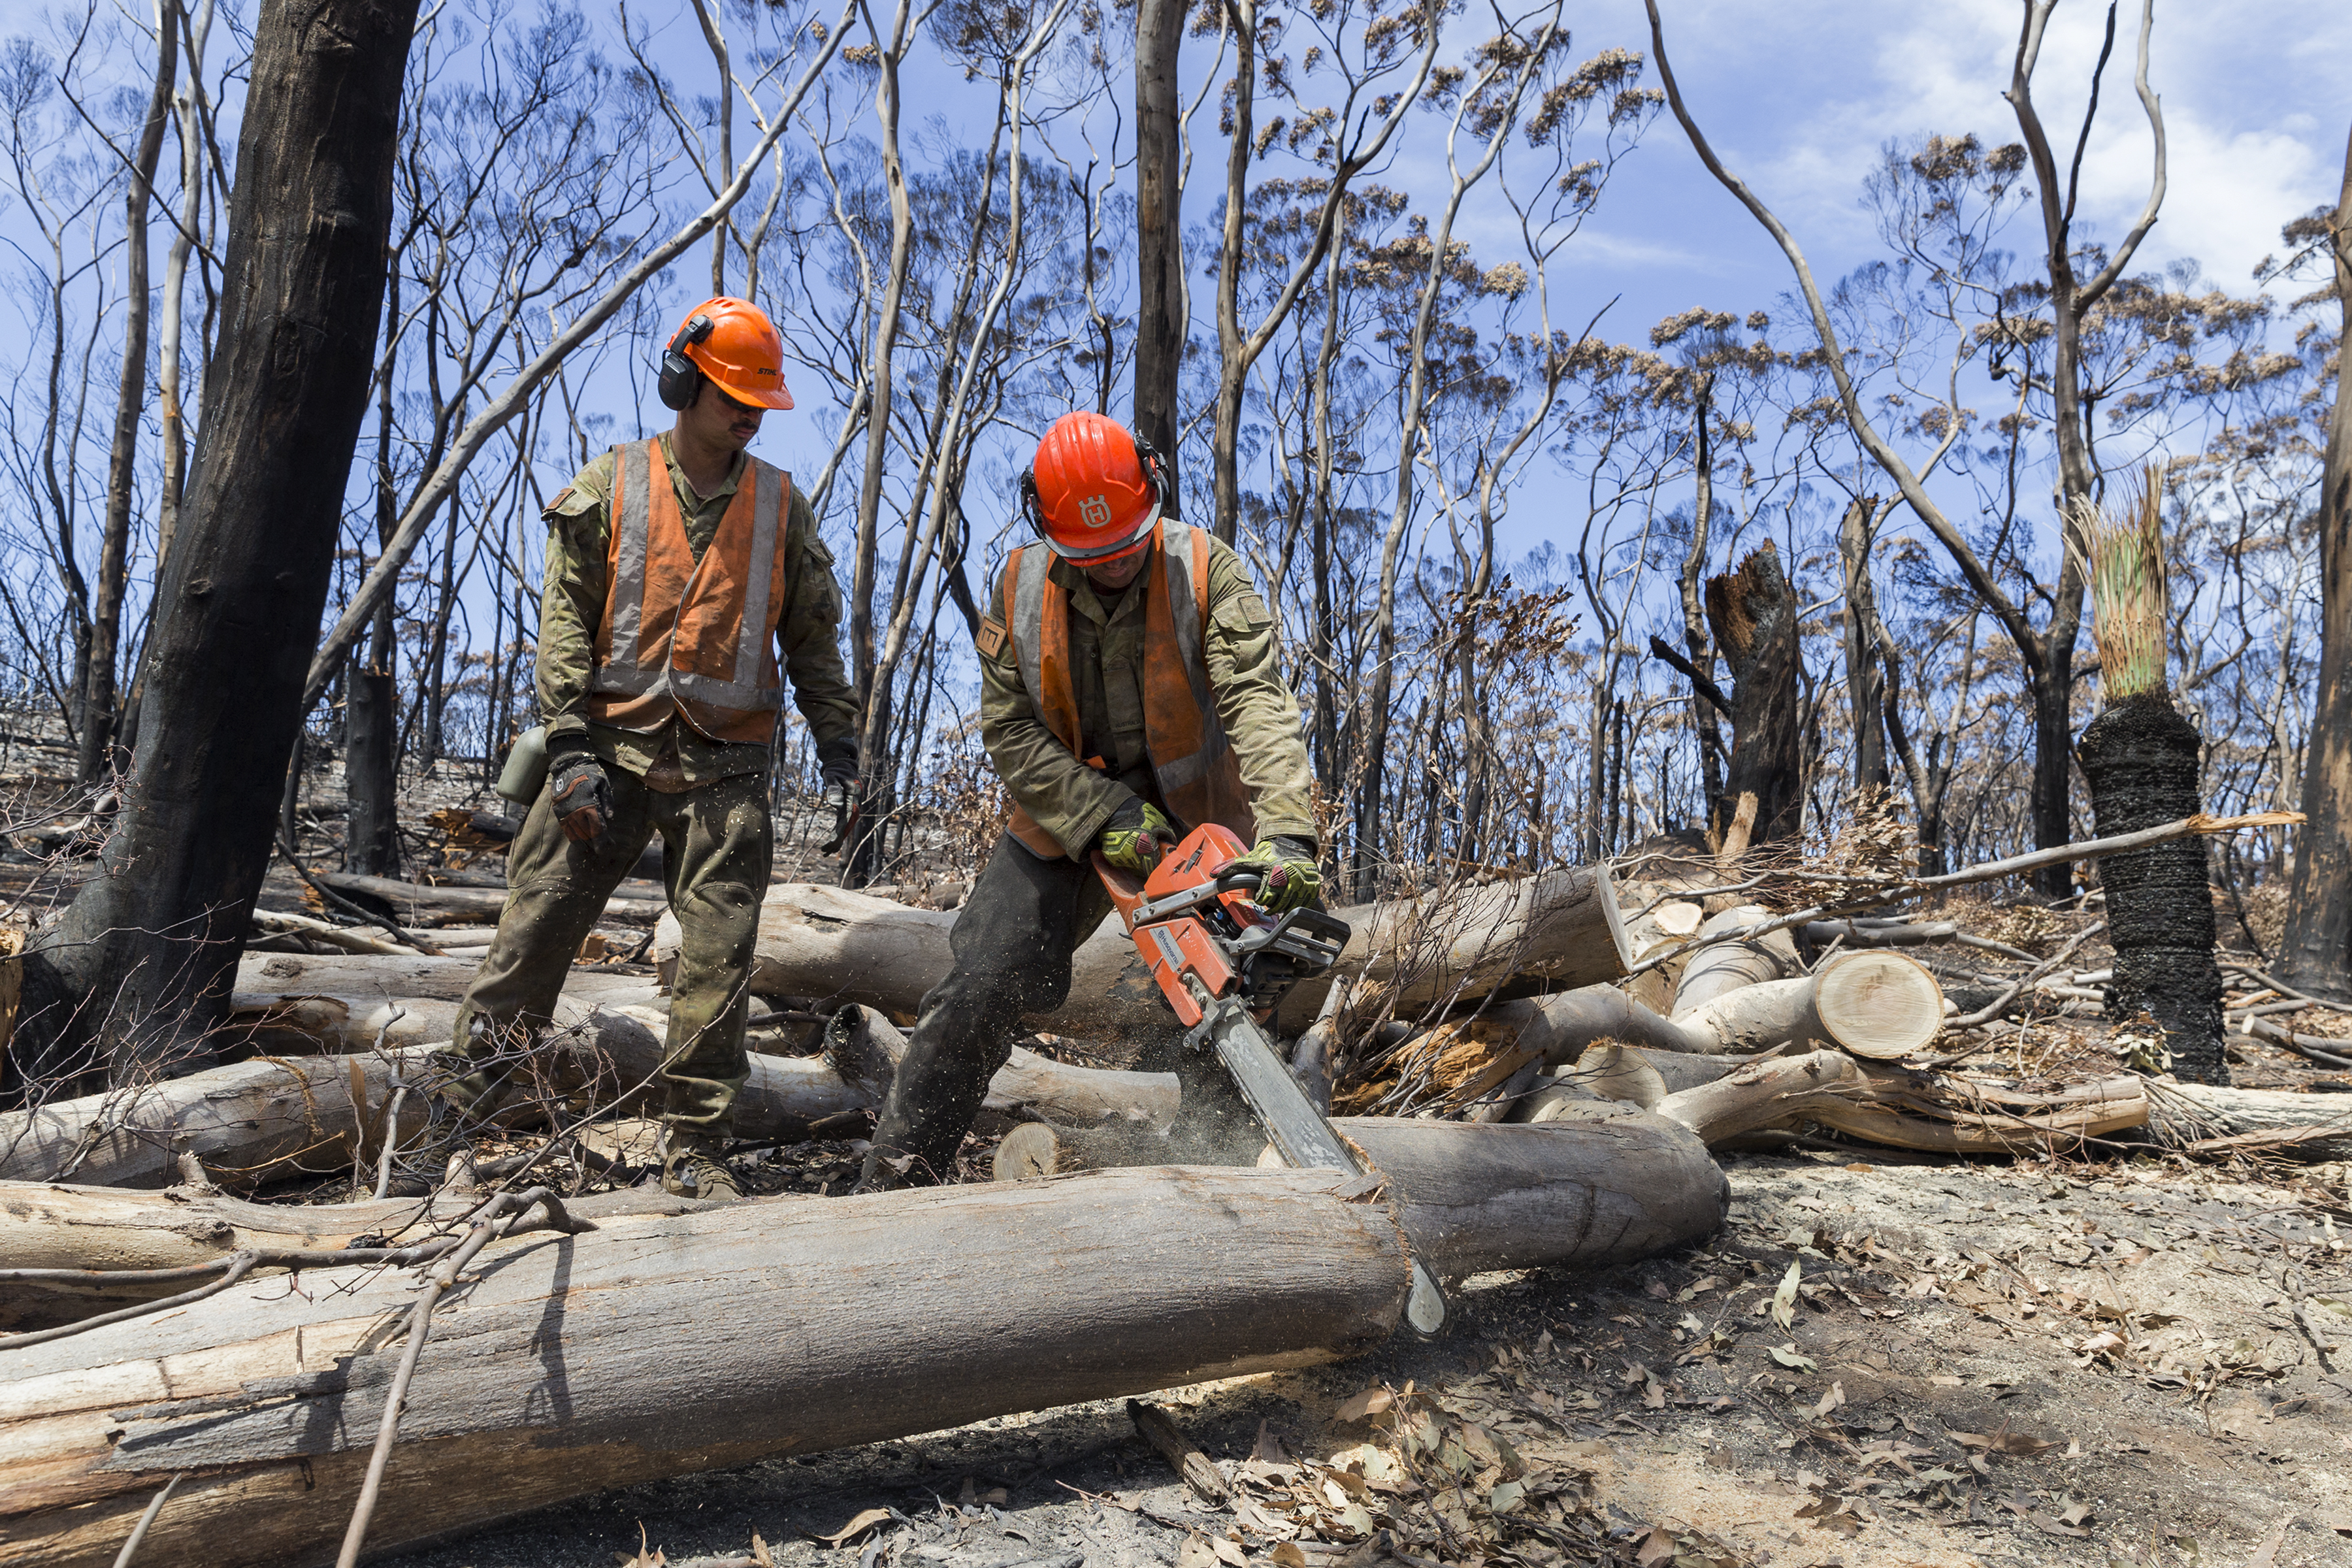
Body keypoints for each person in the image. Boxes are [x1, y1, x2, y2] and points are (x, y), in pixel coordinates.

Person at [444, 297, 860, 1202]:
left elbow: (815, 641)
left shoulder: (781, 506)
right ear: (684, 383)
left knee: (716, 967)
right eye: (729, 394)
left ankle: (697, 1149)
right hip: (606, 749)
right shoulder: (614, 483)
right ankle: (454, 1115)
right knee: (530, 940)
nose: (746, 413)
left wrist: (841, 741)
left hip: (727, 767)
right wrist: (564, 744)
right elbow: (564, 625)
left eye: (758, 400)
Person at [859, 411, 1322, 1190]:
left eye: (1126, 547)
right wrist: (1103, 814)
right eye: (1091, 554)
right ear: (1051, 529)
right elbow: (1009, 732)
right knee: (983, 976)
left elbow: (1259, 704)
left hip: (1196, 818)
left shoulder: (1208, 572)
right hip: (1064, 815)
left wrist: (1289, 836)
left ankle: (1230, 1186)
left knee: (1228, 995)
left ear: (1152, 497)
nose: (1112, 564)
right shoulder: (1018, 585)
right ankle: (897, 1180)